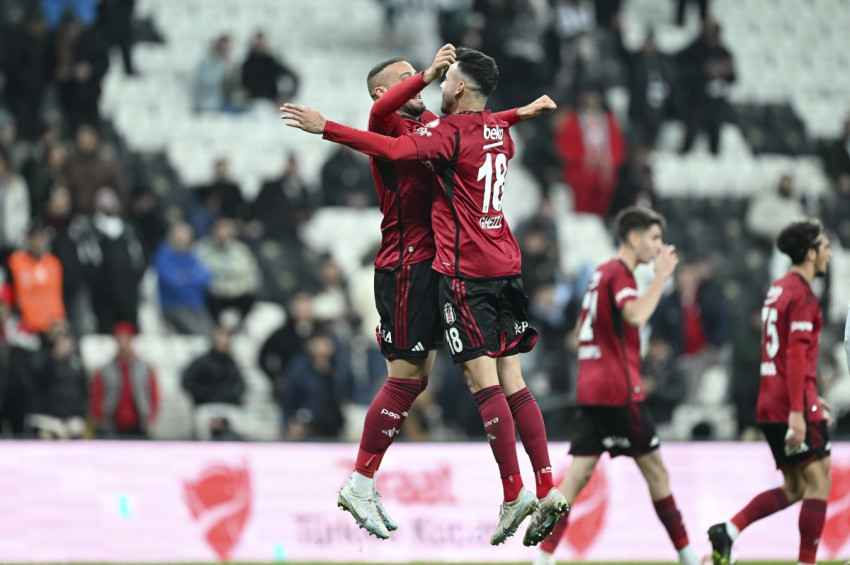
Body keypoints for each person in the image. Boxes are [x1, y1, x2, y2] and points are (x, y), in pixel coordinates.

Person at [282, 46, 566, 547]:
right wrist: (326, 125)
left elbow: (476, 123)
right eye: (406, 78)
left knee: (442, 379)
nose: (421, 80)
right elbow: (388, 130)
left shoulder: (434, 124)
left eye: (424, 76)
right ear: (384, 91)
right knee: (409, 378)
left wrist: (519, 113)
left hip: (447, 269)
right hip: (408, 266)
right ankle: (363, 481)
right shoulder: (386, 120)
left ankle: (520, 490)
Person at [534, 207, 703, 565]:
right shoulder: (620, 273)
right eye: (654, 238)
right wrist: (661, 278)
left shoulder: (599, 275)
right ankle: (688, 556)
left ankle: (543, 559)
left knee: (576, 477)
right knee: (656, 472)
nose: (658, 246)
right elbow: (636, 315)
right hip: (619, 393)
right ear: (634, 237)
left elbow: (579, 332)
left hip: (591, 390)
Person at [707, 219, 833, 565]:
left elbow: (784, 357)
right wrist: (799, 409)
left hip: (771, 400)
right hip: (791, 405)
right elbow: (794, 354)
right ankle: (807, 562)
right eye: (824, 248)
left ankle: (728, 531)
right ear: (809, 253)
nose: (829, 254)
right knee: (819, 483)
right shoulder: (803, 295)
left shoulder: (778, 288)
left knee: (796, 487)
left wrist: (809, 394)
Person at [91, 322, 159, 438]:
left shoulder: (145, 367)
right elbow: (97, 395)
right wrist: (101, 418)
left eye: (126, 340)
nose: (123, 344)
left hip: (139, 425)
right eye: (120, 340)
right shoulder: (104, 369)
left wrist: (150, 417)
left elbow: (153, 394)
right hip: (112, 425)